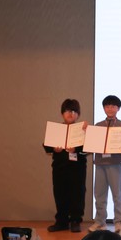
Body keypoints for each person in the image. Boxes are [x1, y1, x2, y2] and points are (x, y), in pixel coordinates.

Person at [44, 98, 88, 233]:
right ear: (62, 113)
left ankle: (75, 221)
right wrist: (54, 149)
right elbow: (46, 145)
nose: (71, 114)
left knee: (77, 193)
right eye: (68, 111)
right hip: (60, 166)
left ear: (78, 114)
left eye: (74, 111)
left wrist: (76, 149)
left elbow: (88, 148)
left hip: (77, 167)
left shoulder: (82, 129)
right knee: (60, 193)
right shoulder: (56, 129)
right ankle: (61, 221)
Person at [91, 95, 121, 234]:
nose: (110, 109)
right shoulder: (97, 126)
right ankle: (100, 222)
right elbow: (91, 144)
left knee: (117, 194)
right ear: (103, 108)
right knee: (99, 194)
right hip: (100, 163)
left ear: (118, 108)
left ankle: (119, 222)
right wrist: (86, 132)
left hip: (115, 163)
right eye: (107, 106)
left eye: (113, 106)